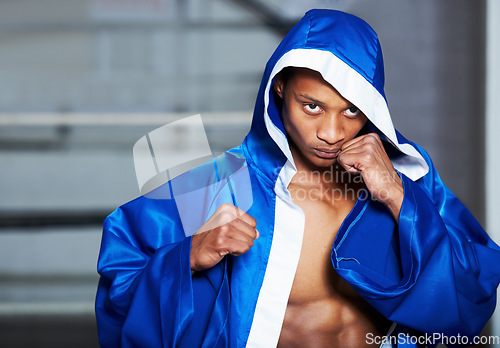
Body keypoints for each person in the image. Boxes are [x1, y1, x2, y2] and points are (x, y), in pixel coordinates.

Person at [95, 9, 500, 347]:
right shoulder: (225, 185)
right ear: (279, 91)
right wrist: (188, 257)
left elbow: (472, 296)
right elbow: (122, 284)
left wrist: (397, 196)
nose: (331, 132)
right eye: (312, 106)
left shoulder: (407, 182)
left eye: (351, 111)